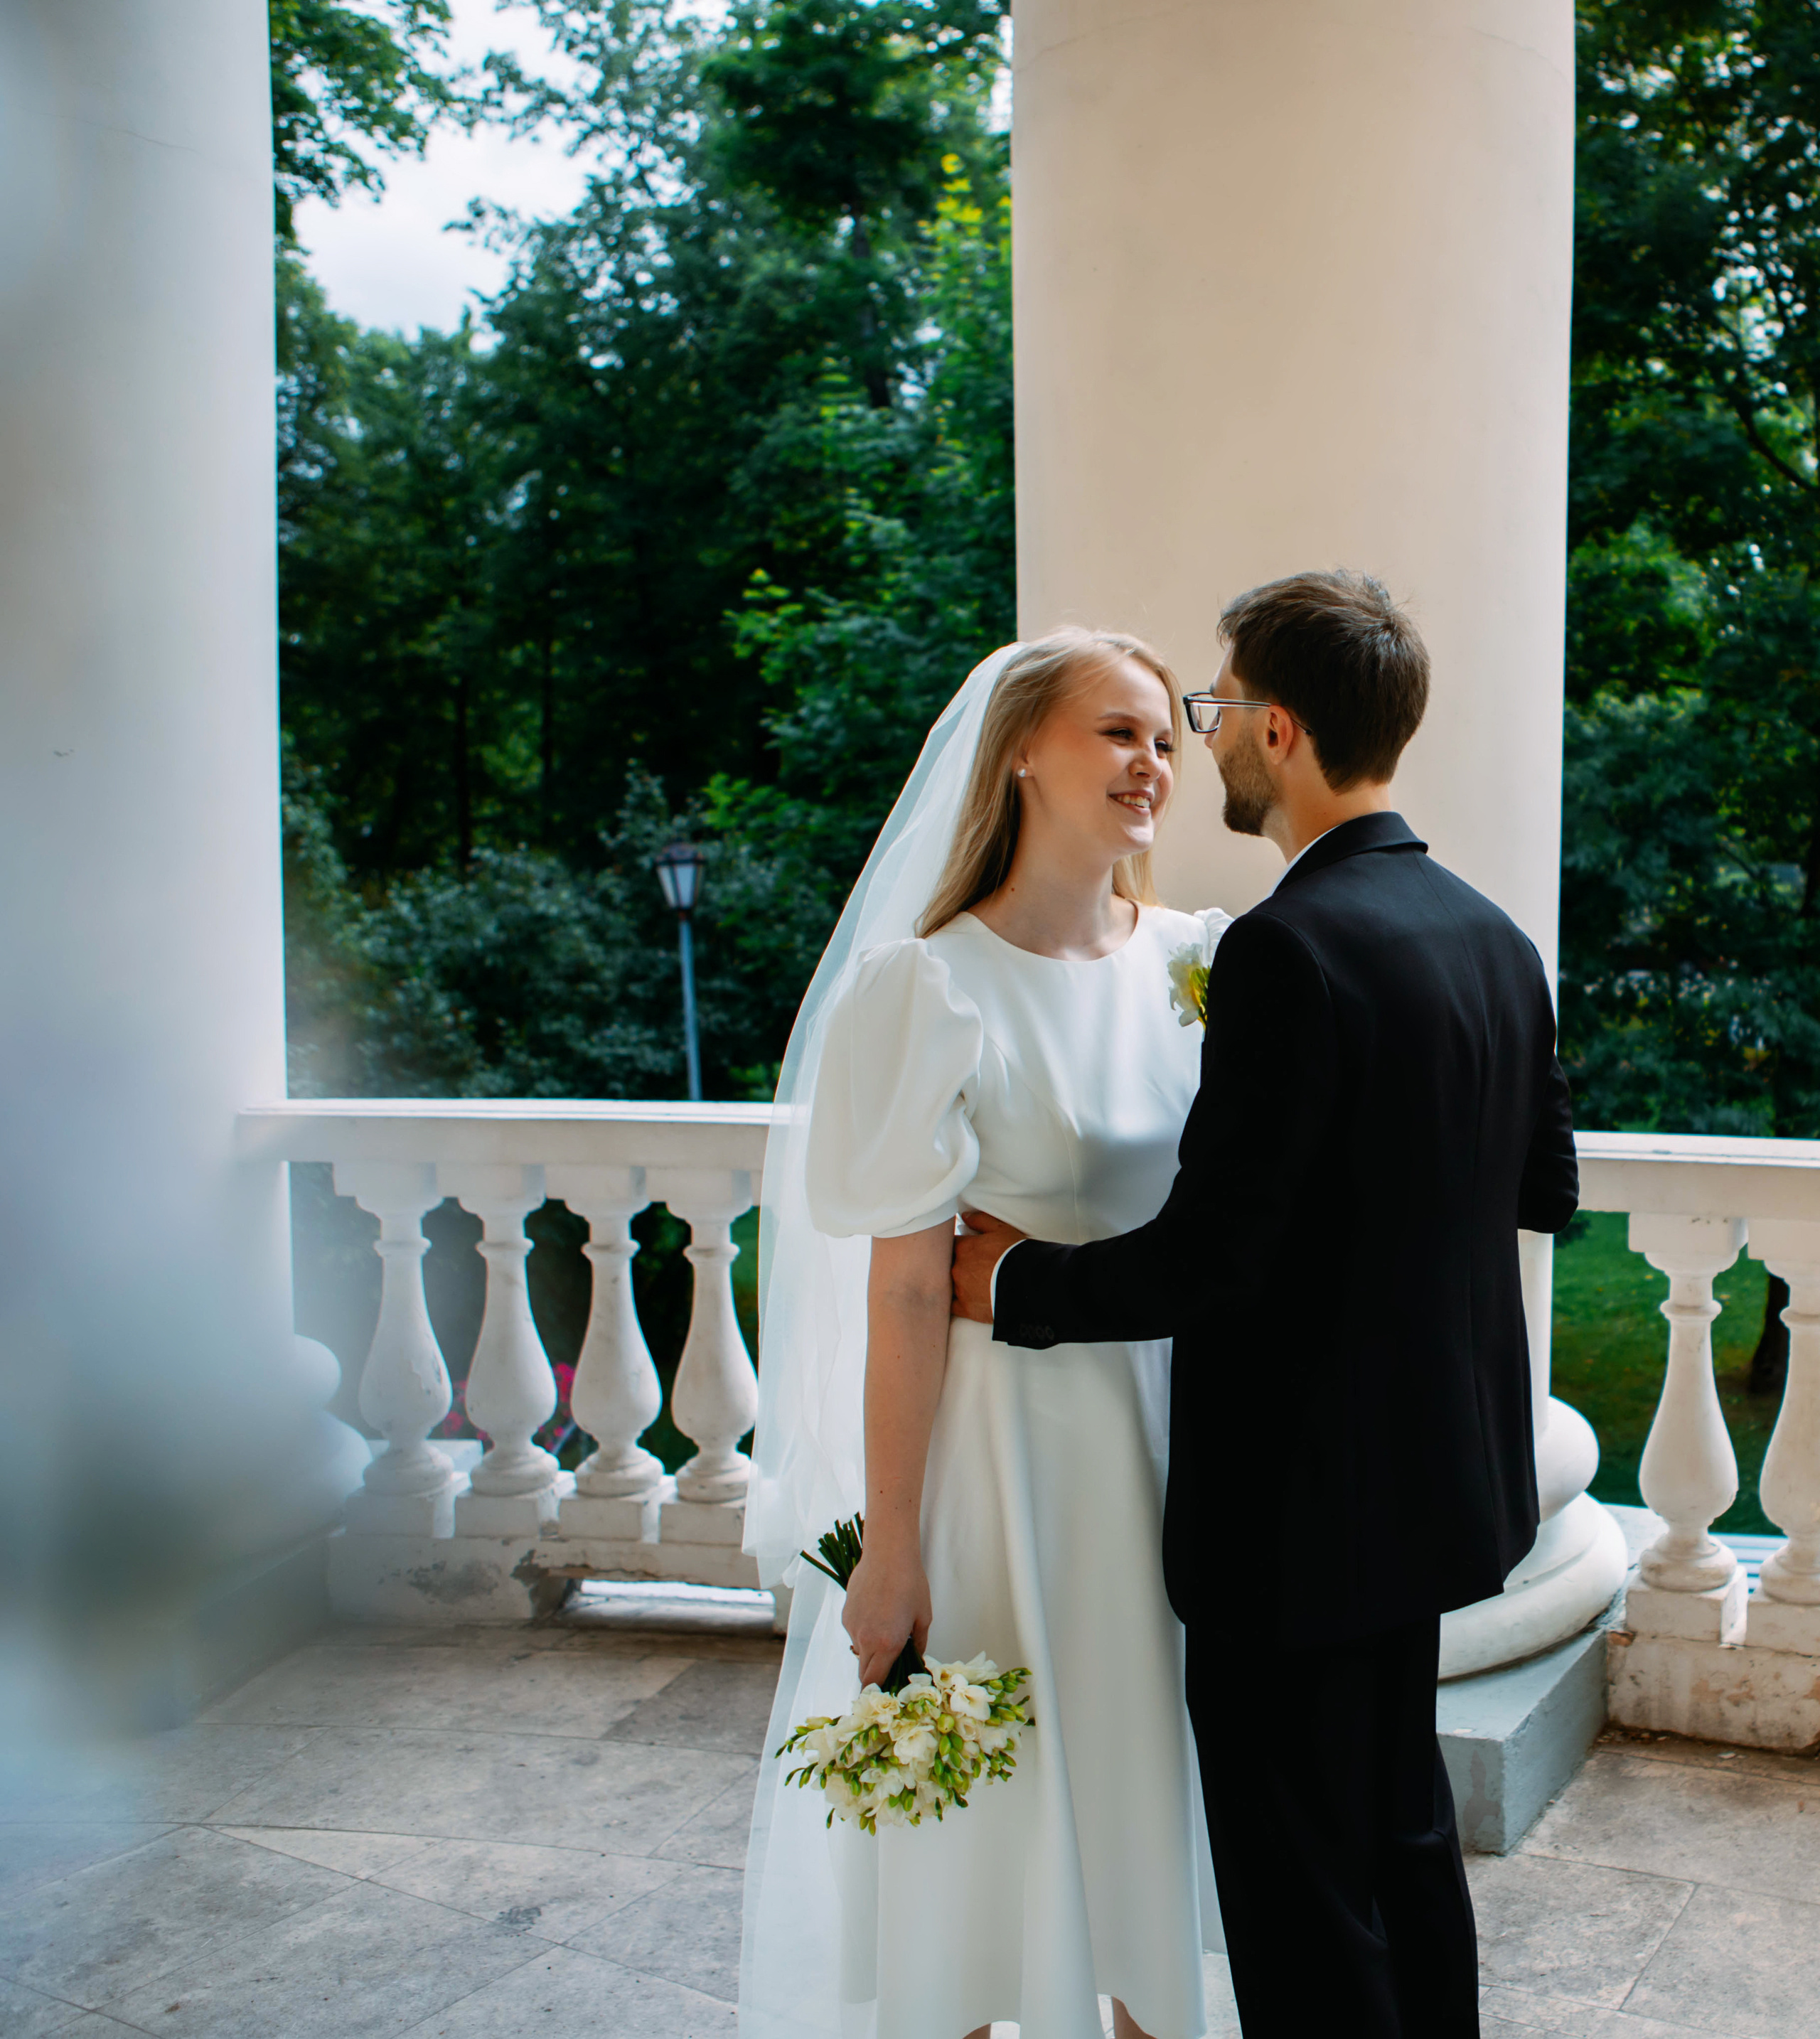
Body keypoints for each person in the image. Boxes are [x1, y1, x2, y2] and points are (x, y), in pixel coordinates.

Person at [953, 571, 1580, 2039]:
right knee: (1401, 1837)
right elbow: (1538, 1190)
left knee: (1300, 1891)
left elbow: (1205, 1264)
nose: (1201, 742)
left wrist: (1007, 1278)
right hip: (1435, 1484)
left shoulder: (1284, 950)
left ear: (1279, 730)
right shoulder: (1490, 934)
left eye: (1215, 711)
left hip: (1293, 1515)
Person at [741, 630, 1228, 2039]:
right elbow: (903, 1291)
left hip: (1169, 1448)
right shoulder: (929, 985)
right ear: (1020, 750)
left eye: (1161, 737)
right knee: (985, 1811)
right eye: (1114, 733)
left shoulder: (1197, 965)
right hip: (1003, 1464)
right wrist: (887, 1547)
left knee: (1148, 1796)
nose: (1150, 762)